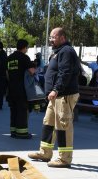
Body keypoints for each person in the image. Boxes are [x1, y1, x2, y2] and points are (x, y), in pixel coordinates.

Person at [28, 27, 80, 168]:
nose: (50, 40)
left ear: (62, 37)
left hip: (63, 95)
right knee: (48, 123)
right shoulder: (58, 52)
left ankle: (65, 158)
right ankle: (45, 152)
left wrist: (56, 89)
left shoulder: (67, 51)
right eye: (50, 37)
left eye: (53, 37)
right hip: (55, 96)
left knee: (63, 125)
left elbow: (65, 73)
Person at [7, 39, 35, 139]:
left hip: (11, 88)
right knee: (22, 110)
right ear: (24, 47)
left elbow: (7, 73)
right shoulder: (24, 57)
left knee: (13, 111)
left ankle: (13, 132)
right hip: (22, 89)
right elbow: (32, 71)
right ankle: (22, 133)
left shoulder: (9, 58)